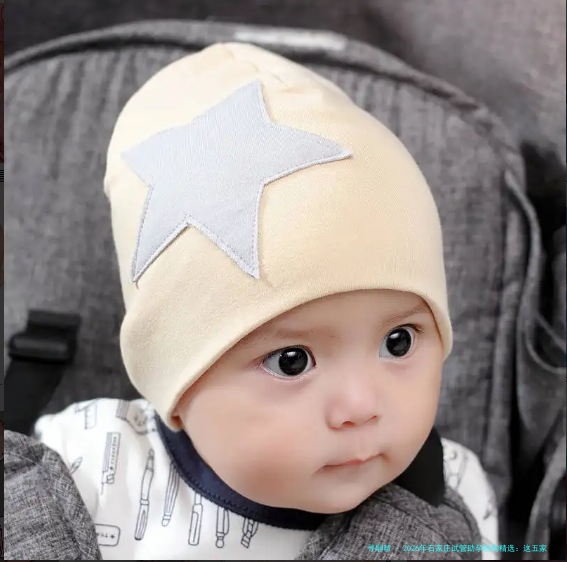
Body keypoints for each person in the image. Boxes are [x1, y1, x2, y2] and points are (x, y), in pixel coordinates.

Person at [34, 42, 497, 560]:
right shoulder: (88, 469)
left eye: (399, 341)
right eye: (291, 360)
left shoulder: (452, 490)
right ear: (177, 387)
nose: (361, 406)